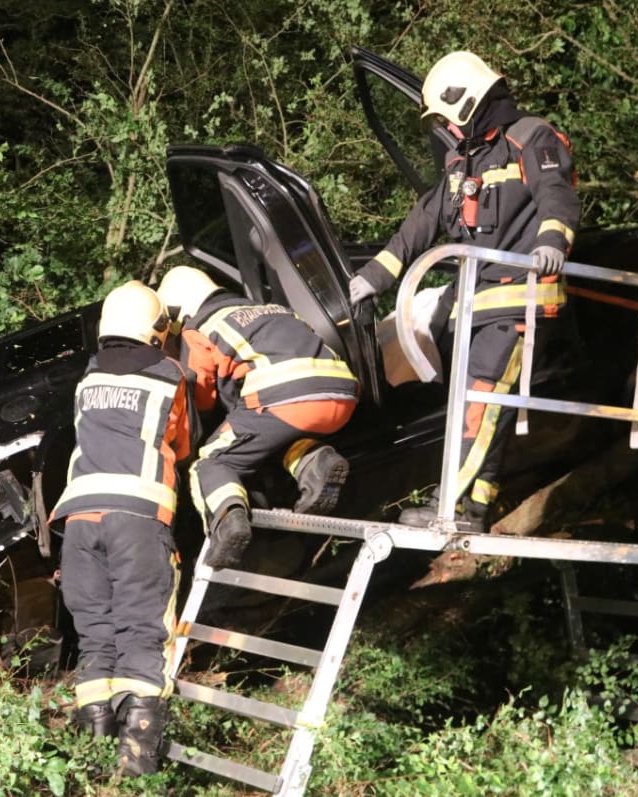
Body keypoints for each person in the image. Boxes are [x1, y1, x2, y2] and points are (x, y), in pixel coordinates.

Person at [347, 50, 580, 532]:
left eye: (448, 121)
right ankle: (475, 508)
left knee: (479, 401)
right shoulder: (463, 162)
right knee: (478, 408)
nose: (447, 132)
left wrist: (552, 240)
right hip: (475, 307)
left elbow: (557, 193)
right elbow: (421, 224)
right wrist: (373, 276)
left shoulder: (531, 138)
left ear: (468, 103)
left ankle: (449, 509)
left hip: (520, 302)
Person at [49, 280, 195, 777]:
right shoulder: (170, 375)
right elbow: (182, 444)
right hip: (138, 516)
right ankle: (135, 765)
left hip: (80, 518)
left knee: (95, 635)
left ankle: (93, 760)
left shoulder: (86, 377)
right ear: (156, 330)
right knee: (143, 632)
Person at [157, 266, 359, 569]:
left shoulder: (199, 328)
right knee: (266, 439)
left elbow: (202, 398)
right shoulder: (268, 307)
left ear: (180, 312)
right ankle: (318, 463)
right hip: (342, 393)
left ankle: (228, 520)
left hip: (284, 396)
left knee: (210, 461)